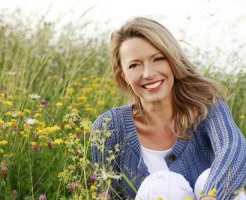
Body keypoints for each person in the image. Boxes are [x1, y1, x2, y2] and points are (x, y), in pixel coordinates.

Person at [91, 17, 246, 200]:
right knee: (162, 186)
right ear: (124, 75)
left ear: (173, 61)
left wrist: (211, 197)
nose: (148, 74)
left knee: (214, 183)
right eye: (134, 65)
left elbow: (233, 147)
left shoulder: (207, 106)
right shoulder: (109, 126)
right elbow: (108, 194)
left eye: (158, 59)